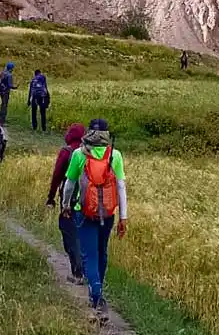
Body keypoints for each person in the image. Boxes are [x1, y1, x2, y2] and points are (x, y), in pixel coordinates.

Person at [61, 118, 128, 319]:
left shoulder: (78, 154)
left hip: (84, 211)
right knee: (101, 251)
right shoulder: (114, 155)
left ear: (89, 133)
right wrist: (123, 217)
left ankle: (96, 295)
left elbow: (69, 184)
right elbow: (121, 187)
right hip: (107, 214)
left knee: (89, 254)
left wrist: (66, 205)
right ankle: (98, 292)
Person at [46, 123, 85, 284]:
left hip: (70, 200)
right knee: (84, 235)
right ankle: (90, 273)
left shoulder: (67, 152)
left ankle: (77, 272)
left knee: (70, 233)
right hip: (91, 201)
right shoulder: (90, 152)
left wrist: (51, 197)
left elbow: (57, 176)